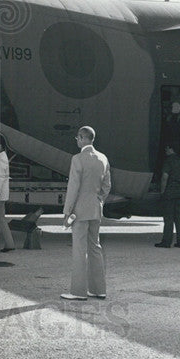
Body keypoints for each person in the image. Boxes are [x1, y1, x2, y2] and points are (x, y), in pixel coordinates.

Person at [61, 126, 111, 300]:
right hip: (96, 209)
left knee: (79, 250)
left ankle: (78, 292)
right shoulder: (103, 158)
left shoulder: (77, 159)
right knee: (95, 247)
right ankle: (99, 289)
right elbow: (107, 186)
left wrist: (67, 211)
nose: (77, 141)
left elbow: (73, 187)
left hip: (80, 210)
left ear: (82, 138)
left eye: (77, 138)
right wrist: (98, 201)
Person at [155, 143, 180, 248]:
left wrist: (162, 191)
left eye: (167, 148)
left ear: (171, 149)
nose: (165, 150)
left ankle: (166, 242)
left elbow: (165, 177)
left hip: (170, 192)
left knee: (169, 218)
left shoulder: (168, 161)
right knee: (179, 218)